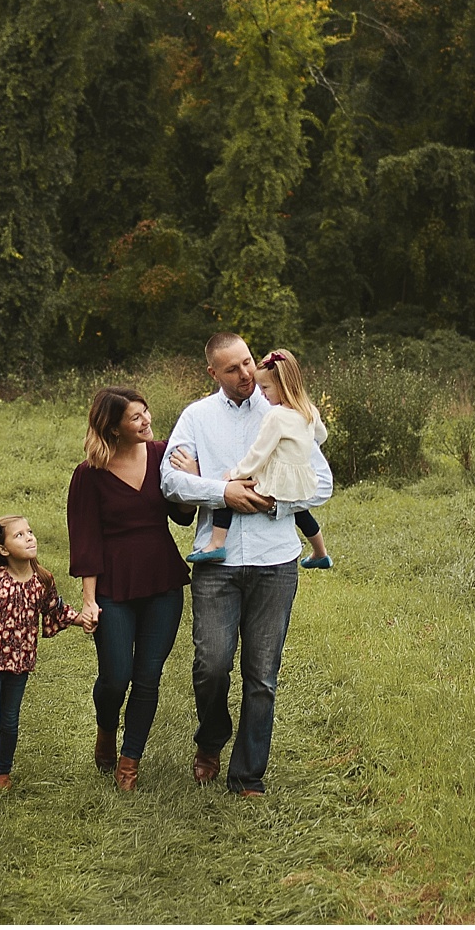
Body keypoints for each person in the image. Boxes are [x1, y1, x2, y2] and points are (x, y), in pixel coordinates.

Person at [159, 333, 333, 795]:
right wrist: (222, 492)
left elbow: (322, 484)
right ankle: (212, 737)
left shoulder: (286, 411)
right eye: (232, 369)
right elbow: (171, 482)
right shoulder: (196, 417)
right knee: (211, 665)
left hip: (275, 560)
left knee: (262, 675)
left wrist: (271, 500)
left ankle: (248, 774)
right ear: (213, 373)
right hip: (215, 562)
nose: (245, 375)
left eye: (248, 363)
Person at [65, 386, 196, 792]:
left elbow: (183, 516)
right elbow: (85, 540)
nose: (146, 421)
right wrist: (89, 600)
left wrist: (190, 478)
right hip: (113, 585)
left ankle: (129, 762)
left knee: (148, 677)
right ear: (113, 426)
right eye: (135, 417)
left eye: (146, 412)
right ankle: (106, 728)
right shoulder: (89, 474)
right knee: (115, 677)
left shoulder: (161, 455)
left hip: (162, 581)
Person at [0, 515, 91, 806]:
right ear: (3, 549)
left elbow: (56, 610)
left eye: (30, 532)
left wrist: (83, 619)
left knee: (10, 721)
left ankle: (3, 772)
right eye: (19, 535)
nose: (29, 538)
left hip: (20, 660)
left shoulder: (42, 581)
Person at [180, 348, 333, 569]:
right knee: (300, 511)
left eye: (265, 388)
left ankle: (216, 544)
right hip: (300, 478)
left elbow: (259, 454)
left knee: (229, 490)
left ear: (282, 386)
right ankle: (320, 552)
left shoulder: (275, 416)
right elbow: (321, 436)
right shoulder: (308, 410)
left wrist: (234, 474)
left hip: (278, 478)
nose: (261, 393)